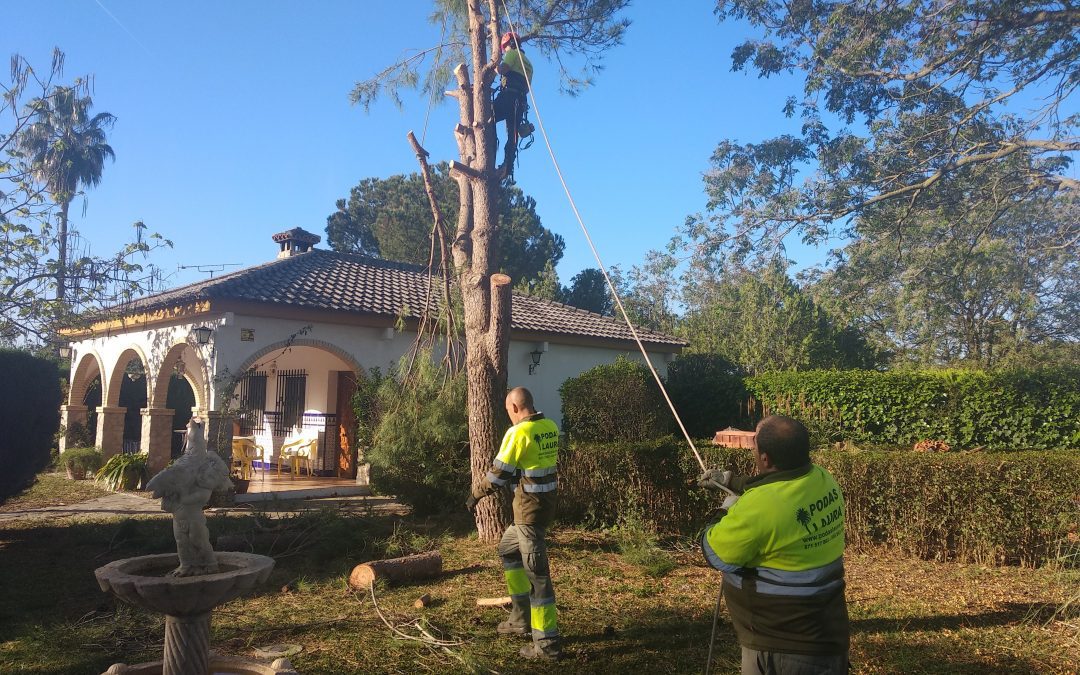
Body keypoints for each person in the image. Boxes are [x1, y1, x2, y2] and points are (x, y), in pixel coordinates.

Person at [697, 415, 849, 674]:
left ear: (765, 458)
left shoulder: (761, 508)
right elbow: (775, 483)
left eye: (756, 449)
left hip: (781, 646)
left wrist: (722, 512)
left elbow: (714, 552)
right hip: (827, 633)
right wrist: (730, 480)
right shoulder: (822, 479)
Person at [466, 386, 561, 660]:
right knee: (508, 550)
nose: (509, 415)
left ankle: (547, 644)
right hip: (542, 508)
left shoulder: (518, 432)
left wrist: (474, 495)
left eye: (509, 410)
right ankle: (520, 618)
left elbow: (498, 475)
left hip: (528, 513)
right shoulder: (549, 426)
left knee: (538, 576)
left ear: (516, 408)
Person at [492, 31, 533, 179]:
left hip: (508, 96)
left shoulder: (513, 54)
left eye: (504, 49)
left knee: (487, 117)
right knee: (512, 134)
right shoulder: (528, 63)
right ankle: (508, 166)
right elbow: (527, 88)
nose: (504, 52)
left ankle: (486, 150)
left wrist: (494, 66)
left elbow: (503, 69)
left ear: (508, 44)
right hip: (520, 101)